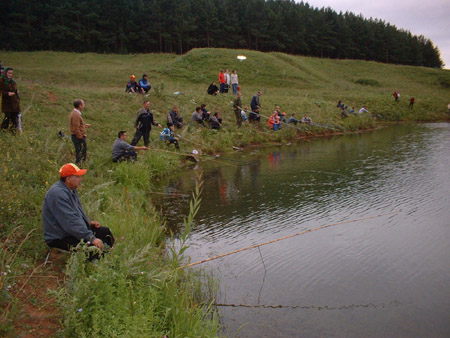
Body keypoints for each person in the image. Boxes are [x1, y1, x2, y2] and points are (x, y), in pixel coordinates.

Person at [42, 163, 115, 257]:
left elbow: (77, 211)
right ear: (68, 179)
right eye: (78, 177)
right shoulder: (58, 194)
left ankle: (110, 256)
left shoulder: (71, 189)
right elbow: (70, 221)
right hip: (60, 237)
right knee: (92, 248)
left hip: (70, 232)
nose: (81, 179)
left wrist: (88, 222)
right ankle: (99, 265)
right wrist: (91, 238)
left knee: (105, 232)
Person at [70, 99, 90, 165]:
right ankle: (79, 166)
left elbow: (77, 125)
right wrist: (80, 137)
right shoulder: (76, 115)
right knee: (80, 153)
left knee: (81, 152)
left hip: (77, 136)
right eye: (83, 104)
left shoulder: (75, 113)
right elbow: (75, 128)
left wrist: (84, 126)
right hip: (77, 137)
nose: (84, 106)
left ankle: (80, 165)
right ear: (80, 105)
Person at [1, 67, 21, 132]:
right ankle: (3, 130)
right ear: (5, 73)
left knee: (15, 119)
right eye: (9, 73)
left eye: (11, 73)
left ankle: (13, 132)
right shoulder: (2, 81)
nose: (10, 74)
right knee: (7, 118)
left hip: (14, 103)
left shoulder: (13, 82)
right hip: (7, 103)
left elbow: (15, 91)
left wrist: (17, 94)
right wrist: (7, 93)